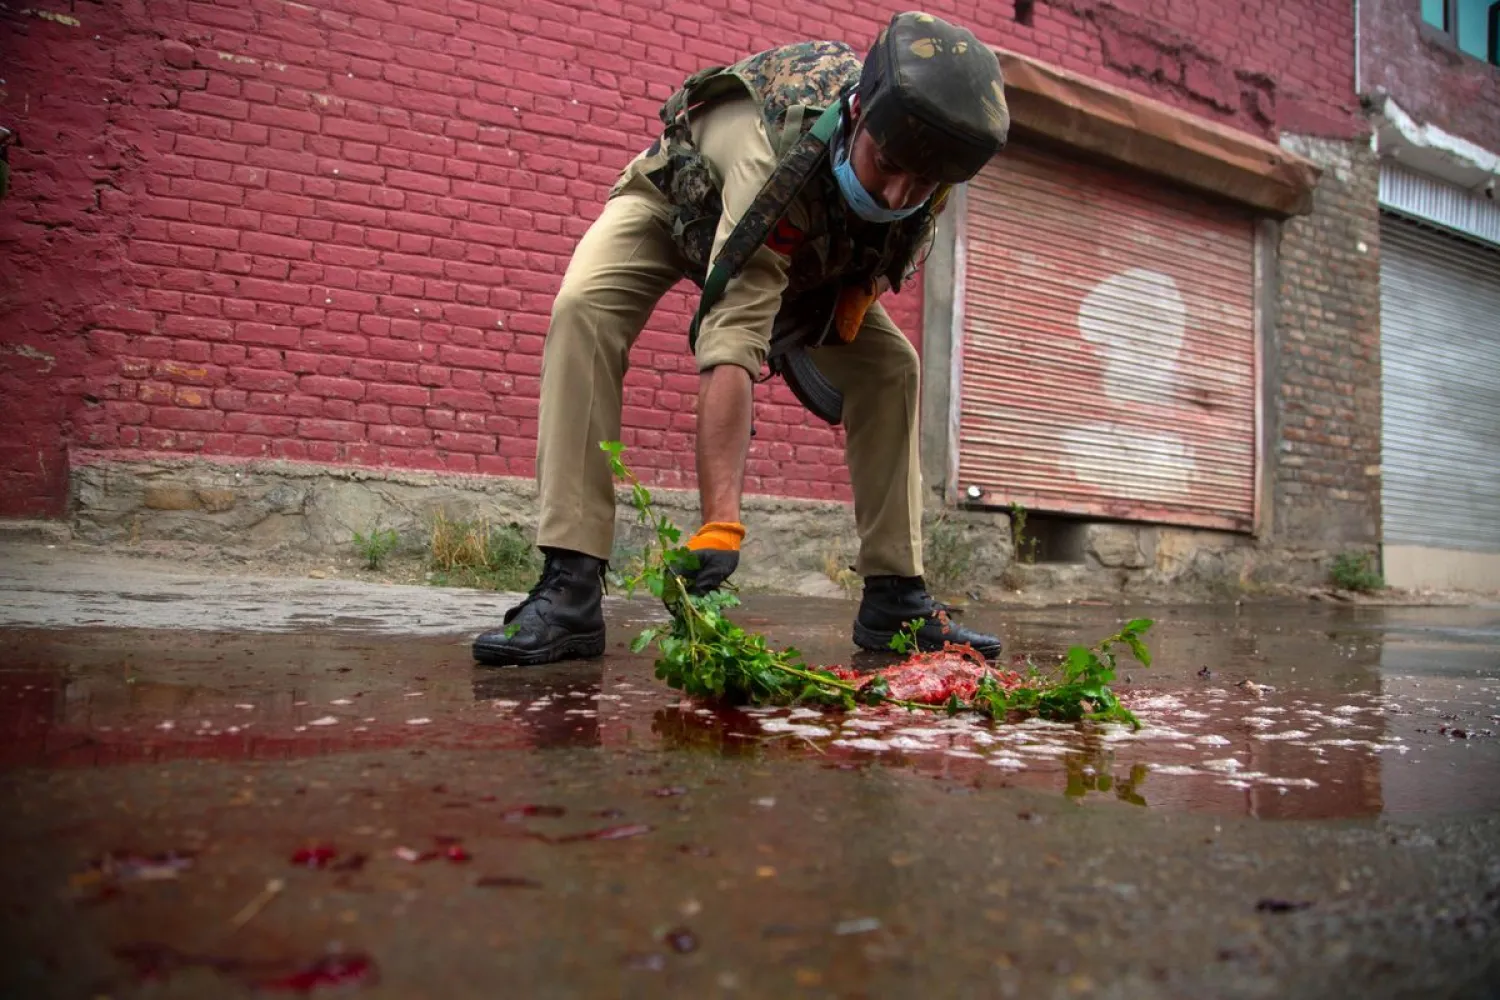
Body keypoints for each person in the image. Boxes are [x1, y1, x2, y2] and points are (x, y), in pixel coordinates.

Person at [473, 11, 1011, 667]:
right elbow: (731, 333)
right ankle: (570, 588)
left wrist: (835, 308)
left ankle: (895, 597)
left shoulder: (933, 167)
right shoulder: (778, 153)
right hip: (678, 206)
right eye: (887, 164)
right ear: (858, 116)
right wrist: (720, 523)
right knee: (584, 308)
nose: (897, 191)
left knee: (892, 366)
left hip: (804, 258)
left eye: (921, 183)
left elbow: (881, 249)